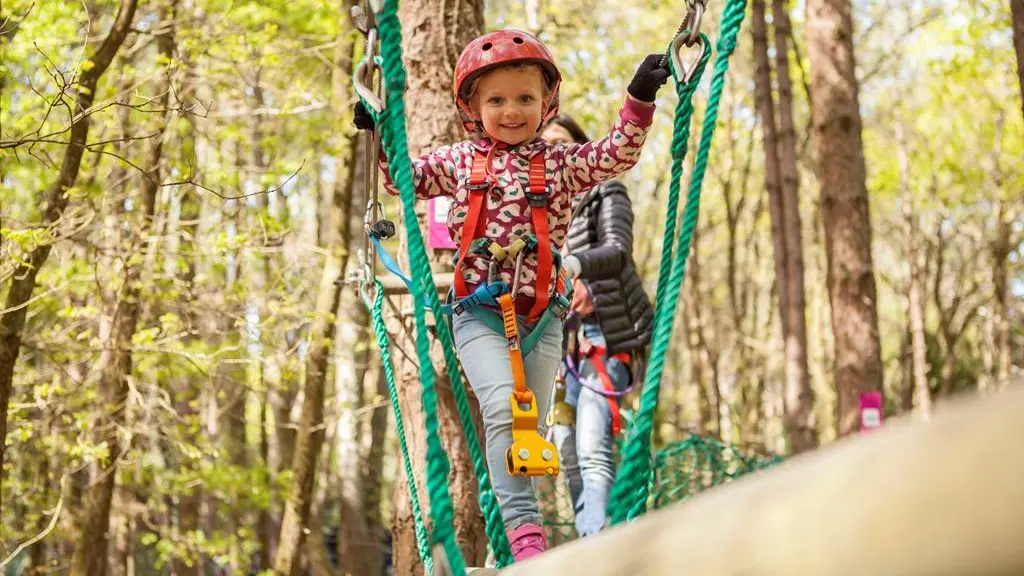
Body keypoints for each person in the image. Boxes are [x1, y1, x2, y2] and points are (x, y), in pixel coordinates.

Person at [353, 29, 669, 561]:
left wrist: (638, 99)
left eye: (525, 98)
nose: (512, 110)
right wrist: (379, 132)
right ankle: (526, 537)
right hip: (477, 313)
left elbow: (615, 156)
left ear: (546, 103)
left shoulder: (561, 165)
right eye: (496, 100)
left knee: (532, 429)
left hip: (544, 318)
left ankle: (515, 532)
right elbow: (399, 179)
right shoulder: (457, 161)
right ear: (474, 107)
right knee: (503, 408)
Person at [540, 113, 654, 538]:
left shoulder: (605, 190)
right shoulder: (539, 213)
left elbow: (617, 249)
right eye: (544, 146)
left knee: (591, 445)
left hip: (606, 332)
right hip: (562, 343)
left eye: (562, 143)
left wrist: (574, 267)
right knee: (566, 448)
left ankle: (598, 545)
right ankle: (593, 534)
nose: (553, 152)